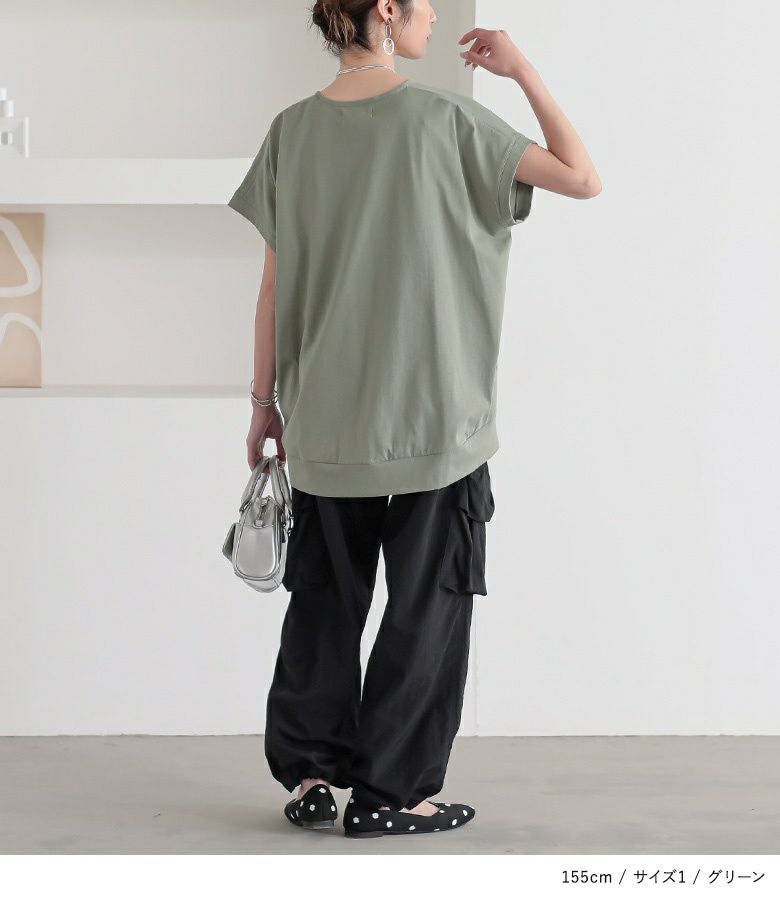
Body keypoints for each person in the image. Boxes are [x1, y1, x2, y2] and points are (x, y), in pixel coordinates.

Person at [227, 0, 600, 839]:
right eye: (424, 3)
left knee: (324, 603)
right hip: (438, 420)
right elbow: (582, 176)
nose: (433, 15)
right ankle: (393, 794)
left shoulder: (291, 133)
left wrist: (263, 405)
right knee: (427, 607)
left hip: (325, 420)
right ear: (387, 11)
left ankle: (312, 777)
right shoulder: (452, 120)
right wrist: (522, 71)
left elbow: (273, 287)